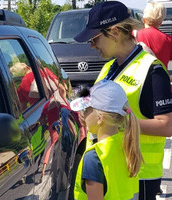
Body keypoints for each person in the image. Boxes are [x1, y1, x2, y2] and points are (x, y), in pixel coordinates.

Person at [73, 1, 172, 200]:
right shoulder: (109, 66)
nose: (92, 45)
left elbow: (167, 125)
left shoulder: (152, 70)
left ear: (115, 32)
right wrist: (74, 96)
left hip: (138, 176)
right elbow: (94, 94)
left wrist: (120, 122)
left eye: (95, 38)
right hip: (110, 168)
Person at [70, 80, 143, 200]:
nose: (84, 114)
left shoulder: (94, 157)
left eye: (87, 109)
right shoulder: (127, 144)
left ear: (100, 118)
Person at [136, 2, 172, 69]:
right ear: (160, 23)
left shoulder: (134, 36)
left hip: (140, 78)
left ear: (143, 20)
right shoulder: (168, 39)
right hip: (161, 77)